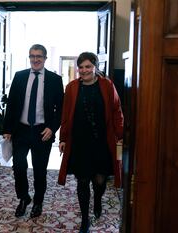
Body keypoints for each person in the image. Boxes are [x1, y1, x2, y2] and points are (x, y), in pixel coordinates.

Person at [57, 52, 123, 233]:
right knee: (83, 181)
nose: (84, 70)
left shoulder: (107, 85)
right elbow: (65, 114)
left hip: (102, 141)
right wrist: (63, 138)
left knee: (100, 180)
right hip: (79, 142)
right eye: (81, 67)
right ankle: (85, 219)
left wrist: (120, 134)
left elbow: (117, 110)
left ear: (95, 67)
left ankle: (98, 200)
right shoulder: (71, 87)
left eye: (88, 66)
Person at [3, 44, 64, 218]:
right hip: (21, 130)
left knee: (39, 170)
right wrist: (7, 129)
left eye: (39, 56)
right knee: (19, 166)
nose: (35, 59)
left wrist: (52, 128)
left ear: (45, 58)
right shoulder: (20, 76)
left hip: (42, 132)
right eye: (32, 56)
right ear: (29, 58)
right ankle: (23, 198)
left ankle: (38, 202)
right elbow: (12, 104)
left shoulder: (54, 79)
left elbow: (60, 108)